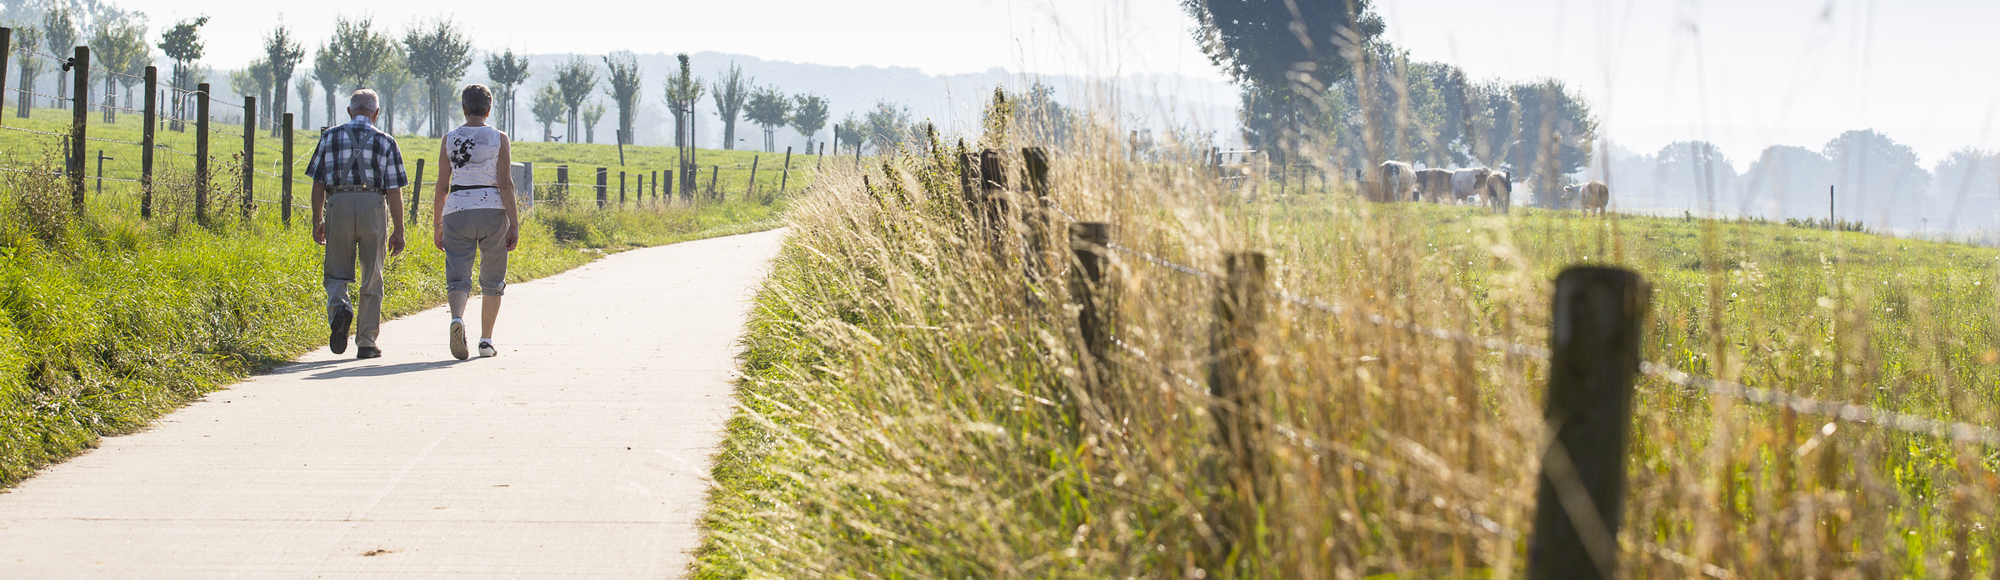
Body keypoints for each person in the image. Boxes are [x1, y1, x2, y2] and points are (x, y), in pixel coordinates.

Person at [308, 89, 408, 359]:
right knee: (372, 275)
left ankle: (341, 308)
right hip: (373, 205)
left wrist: (318, 220)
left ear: (350, 111)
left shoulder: (329, 137)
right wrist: (399, 230)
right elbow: (394, 191)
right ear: (377, 113)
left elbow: (318, 185)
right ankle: (366, 342)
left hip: (338, 202)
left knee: (335, 273)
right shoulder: (386, 141)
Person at [432, 84, 520, 360]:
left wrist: (437, 224)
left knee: (458, 275)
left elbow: (441, 186)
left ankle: (457, 318)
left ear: (464, 108)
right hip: (492, 208)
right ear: (488, 109)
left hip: (457, 209)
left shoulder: (449, 138)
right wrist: (514, 223)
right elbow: (505, 183)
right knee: (492, 278)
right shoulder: (499, 138)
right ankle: (486, 341)